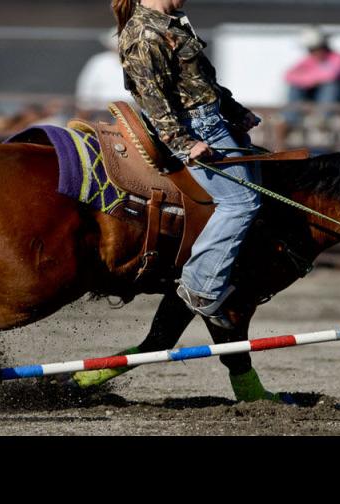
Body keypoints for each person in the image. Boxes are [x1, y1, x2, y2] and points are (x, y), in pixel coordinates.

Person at [113, 0, 262, 329]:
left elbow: (198, 81)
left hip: (212, 122)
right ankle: (201, 286)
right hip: (196, 129)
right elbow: (152, 97)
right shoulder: (144, 34)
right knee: (240, 203)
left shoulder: (172, 23)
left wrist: (235, 110)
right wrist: (183, 143)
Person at [280, 27, 340, 132]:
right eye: (311, 49)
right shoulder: (309, 60)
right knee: (295, 87)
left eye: (316, 48)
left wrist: (307, 78)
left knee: (331, 86)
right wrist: (310, 80)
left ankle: (322, 119)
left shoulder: (338, 58)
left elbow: (332, 75)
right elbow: (288, 75)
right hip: (318, 97)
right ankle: (290, 120)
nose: (314, 52)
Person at [75, 28, 130, 112]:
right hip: (101, 111)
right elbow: (85, 92)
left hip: (133, 113)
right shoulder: (99, 61)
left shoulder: (144, 63)